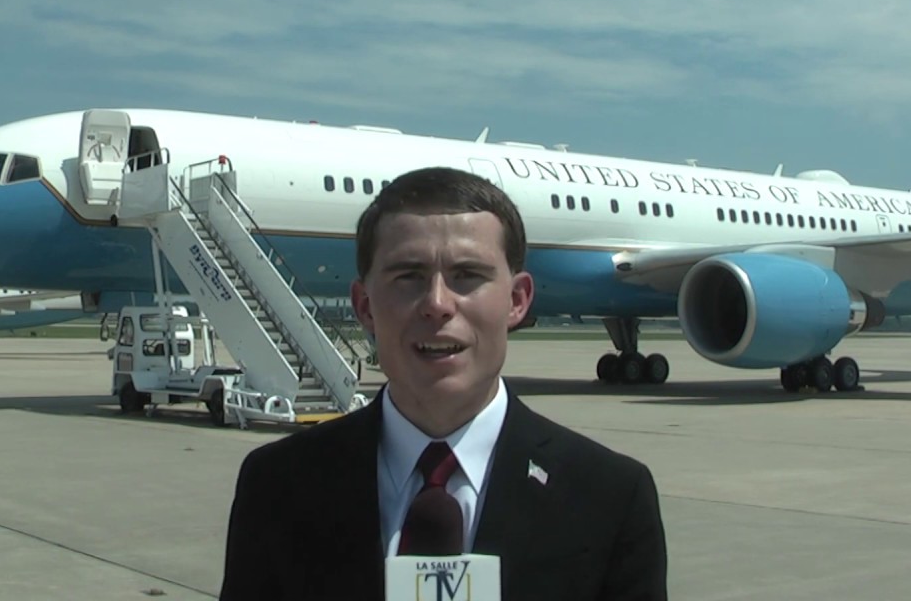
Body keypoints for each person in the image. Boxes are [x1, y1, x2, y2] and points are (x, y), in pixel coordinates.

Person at [219, 167, 667, 600]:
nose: (436, 304)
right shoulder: (275, 486)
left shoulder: (610, 497)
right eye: (408, 276)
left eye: (467, 276)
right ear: (365, 305)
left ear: (517, 301)